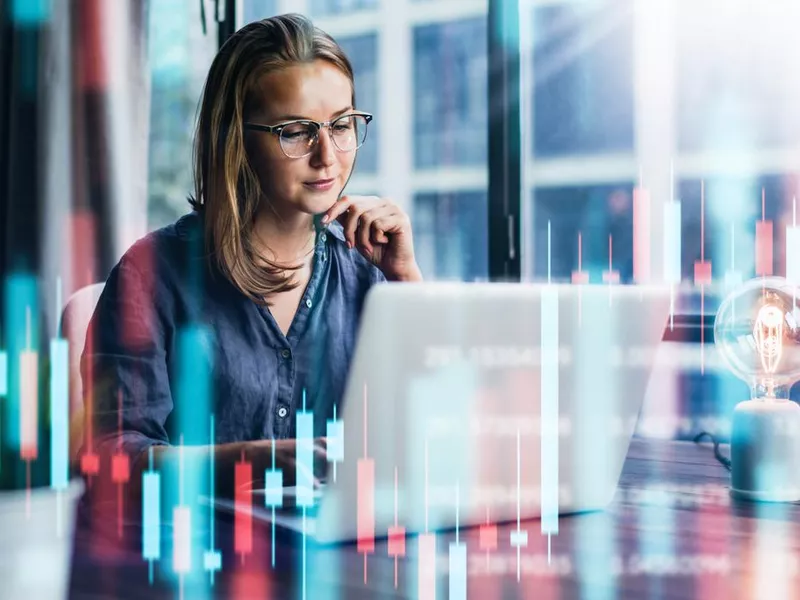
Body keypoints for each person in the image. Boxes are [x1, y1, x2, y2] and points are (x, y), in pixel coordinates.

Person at [80, 13, 422, 496]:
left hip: (339, 560)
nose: (328, 155)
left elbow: (438, 438)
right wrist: (243, 462)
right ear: (236, 138)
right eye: (296, 131)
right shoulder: (151, 274)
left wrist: (407, 280)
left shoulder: (370, 275)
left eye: (342, 125)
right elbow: (108, 458)